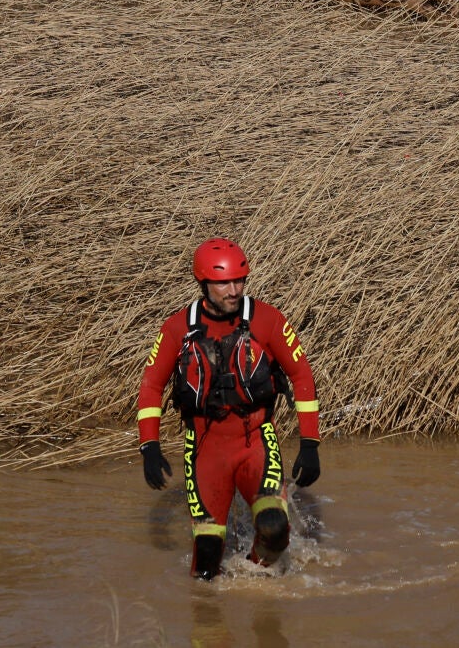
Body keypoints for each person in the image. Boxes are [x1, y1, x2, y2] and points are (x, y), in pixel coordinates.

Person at [135, 238, 322, 580]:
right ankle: (209, 621)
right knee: (206, 560)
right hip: (205, 449)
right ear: (203, 283)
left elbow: (301, 374)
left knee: (274, 527)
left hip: (256, 442)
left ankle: (258, 585)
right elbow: (150, 387)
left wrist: (310, 444)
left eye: (240, 281)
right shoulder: (177, 328)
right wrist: (150, 446)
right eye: (224, 284)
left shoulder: (267, 319)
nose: (234, 291)